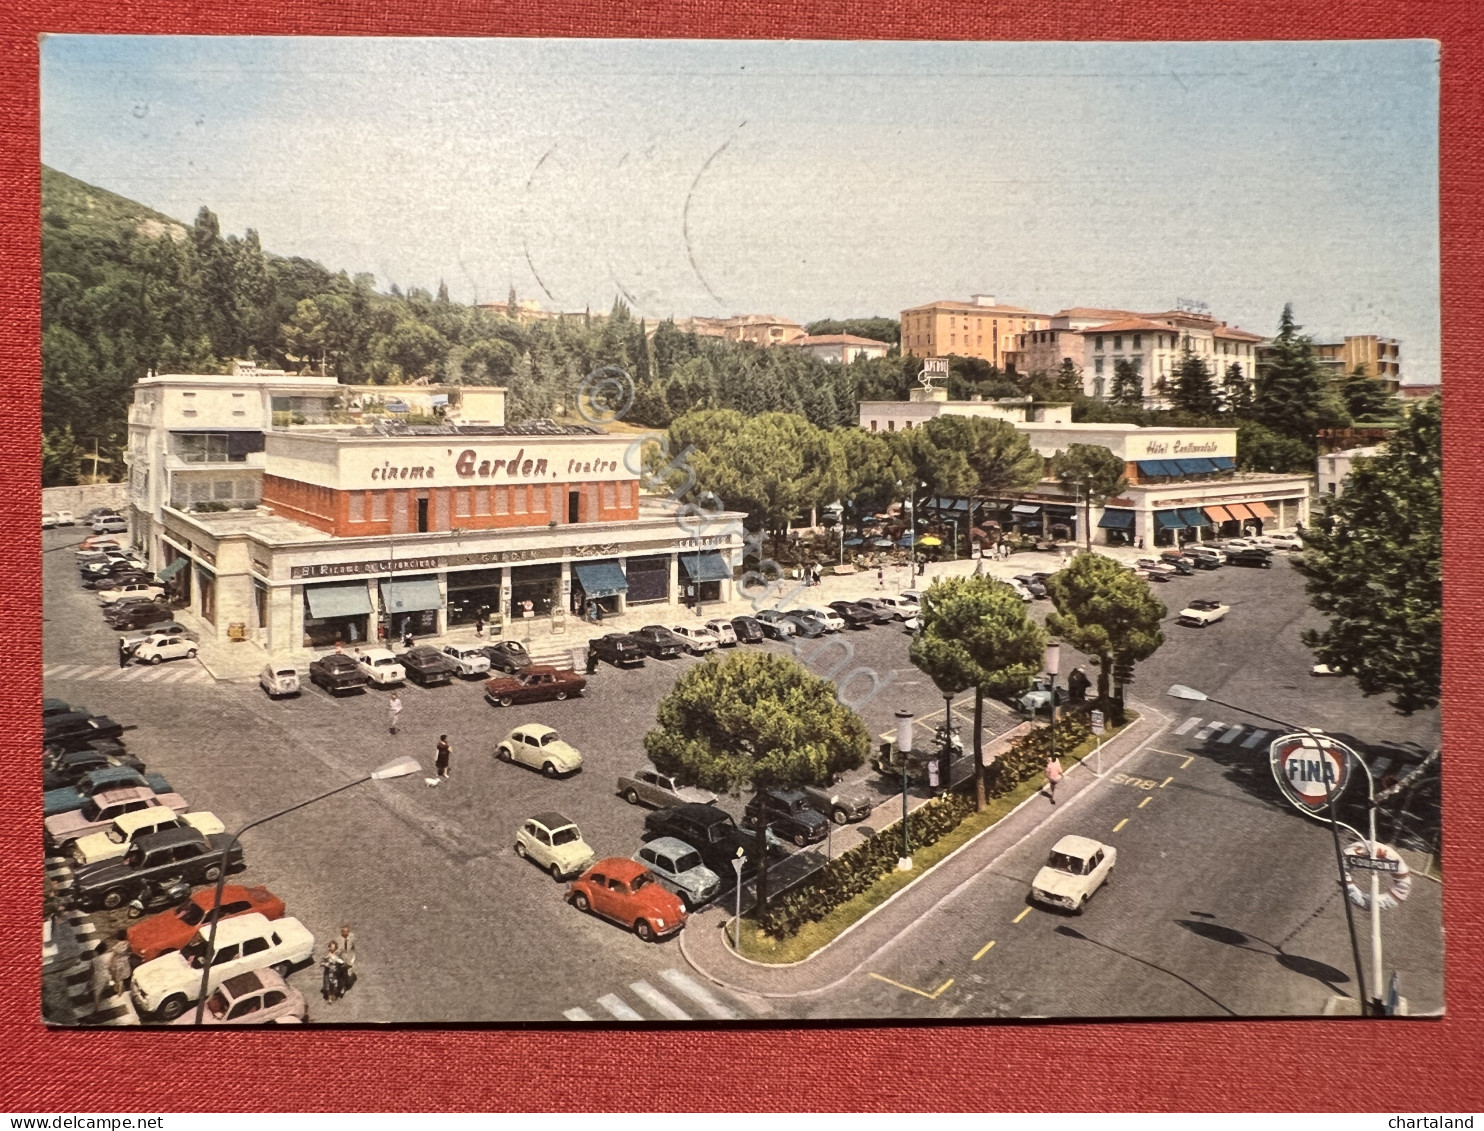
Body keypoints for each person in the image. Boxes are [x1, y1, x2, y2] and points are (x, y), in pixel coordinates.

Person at [337, 924, 357, 994]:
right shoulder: (339, 939)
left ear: (348, 932)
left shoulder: (351, 939)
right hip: (341, 959)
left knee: (348, 974)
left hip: (349, 959)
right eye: (342, 931)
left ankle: (345, 987)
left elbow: (353, 948)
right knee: (341, 974)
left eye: (344, 931)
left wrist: (353, 958)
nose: (343, 933)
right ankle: (341, 986)